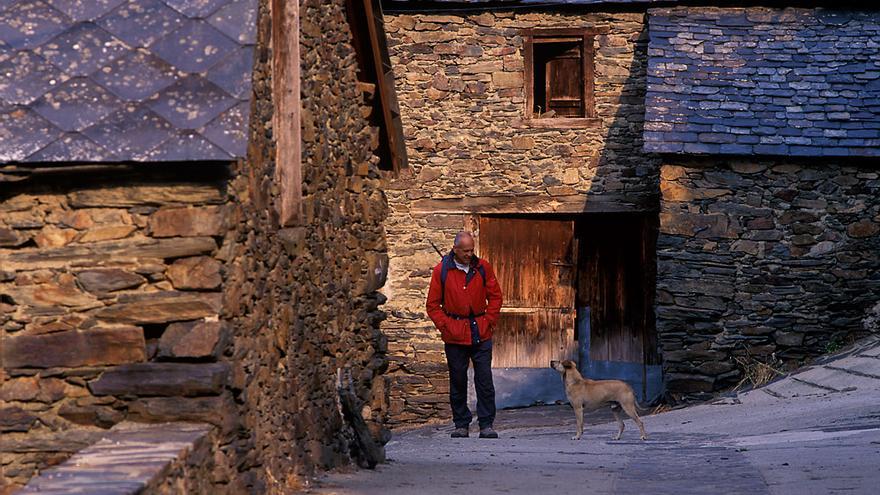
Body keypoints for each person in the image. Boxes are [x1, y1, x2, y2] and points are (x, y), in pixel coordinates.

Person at [426, 231, 503, 438]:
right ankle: (461, 424)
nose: (470, 254)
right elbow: (432, 306)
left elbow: (496, 297)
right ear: (455, 249)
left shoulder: (483, 268)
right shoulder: (441, 271)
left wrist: (488, 321)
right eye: (466, 251)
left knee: (484, 380)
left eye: (472, 250)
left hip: (481, 331)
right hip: (455, 334)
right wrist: (446, 326)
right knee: (458, 380)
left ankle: (486, 424)